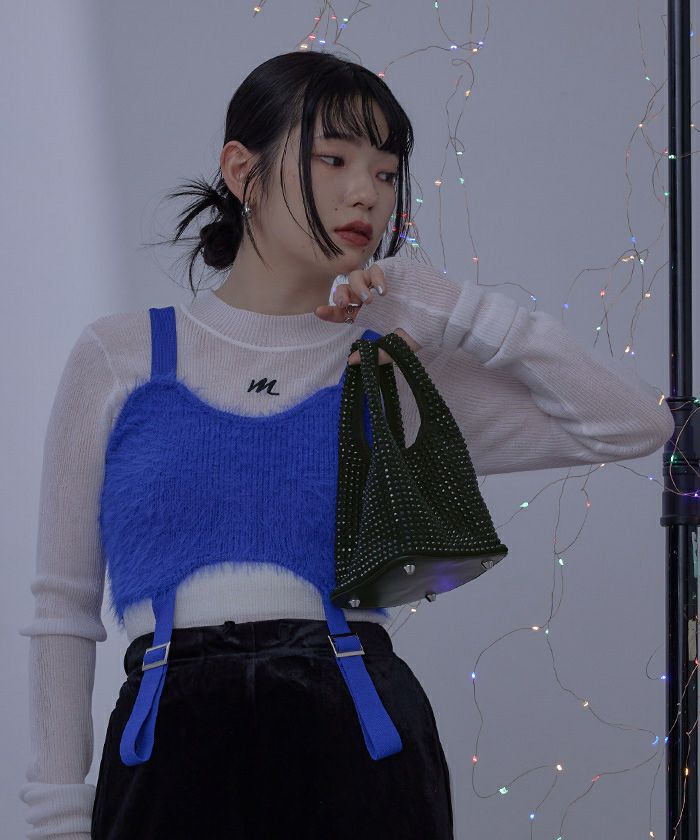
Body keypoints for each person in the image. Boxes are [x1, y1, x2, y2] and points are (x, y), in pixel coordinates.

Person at [18, 51, 674, 840]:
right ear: (242, 170)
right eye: (333, 159)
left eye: (387, 173)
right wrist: (56, 815)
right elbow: (62, 607)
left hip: (356, 741)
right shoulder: (119, 357)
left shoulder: (387, 368)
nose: (367, 192)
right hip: (167, 750)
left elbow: (633, 423)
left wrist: (447, 304)